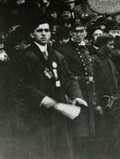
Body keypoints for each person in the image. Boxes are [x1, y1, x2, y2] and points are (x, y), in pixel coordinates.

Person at [14, 17, 85, 159]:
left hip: (58, 113)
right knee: (42, 151)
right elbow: (19, 85)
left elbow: (68, 78)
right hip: (36, 113)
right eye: (39, 31)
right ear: (31, 34)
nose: (44, 34)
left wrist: (76, 96)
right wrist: (42, 98)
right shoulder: (24, 57)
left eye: (46, 30)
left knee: (62, 150)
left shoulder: (57, 56)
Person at [56, 19, 97, 158]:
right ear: (71, 33)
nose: (79, 34)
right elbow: (65, 75)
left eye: (82, 31)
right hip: (76, 92)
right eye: (76, 32)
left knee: (91, 130)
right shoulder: (63, 50)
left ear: (85, 32)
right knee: (79, 130)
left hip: (90, 92)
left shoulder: (88, 48)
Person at [92, 34, 120, 158]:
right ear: (103, 45)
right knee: (101, 137)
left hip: (112, 105)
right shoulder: (93, 60)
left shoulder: (109, 60)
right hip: (101, 105)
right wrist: (96, 104)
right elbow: (91, 84)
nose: (113, 47)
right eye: (111, 45)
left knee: (112, 136)